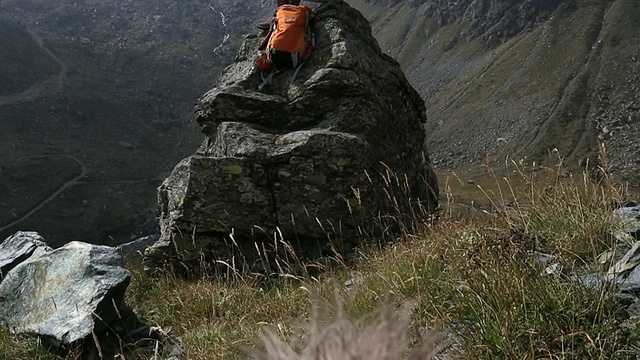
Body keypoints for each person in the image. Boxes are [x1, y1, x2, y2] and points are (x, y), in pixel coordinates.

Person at [255, 0, 314, 74]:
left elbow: (260, 49)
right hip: (294, 56)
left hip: (275, 53)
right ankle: (287, 14)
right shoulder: (306, 10)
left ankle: (283, 15)